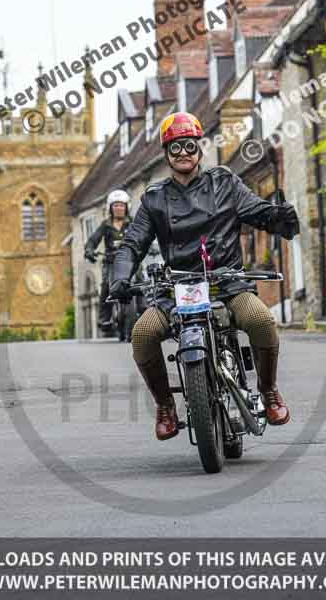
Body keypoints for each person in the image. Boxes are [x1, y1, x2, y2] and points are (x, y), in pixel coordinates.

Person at [110, 112, 300, 441]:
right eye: (175, 148)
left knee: (261, 320)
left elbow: (255, 210)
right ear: (166, 154)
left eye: (189, 145)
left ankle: (268, 390)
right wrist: (121, 277)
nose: (183, 153)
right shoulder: (154, 198)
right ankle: (165, 405)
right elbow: (131, 243)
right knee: (142, 334)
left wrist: (279, 217)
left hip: (226, 283)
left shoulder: (225, 182)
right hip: (178, 288)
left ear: (199, 148)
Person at [85, 189, 132, 332]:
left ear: (127, 207)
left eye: (121, 205)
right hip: (110, 261)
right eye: (115, 205)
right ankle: (104, 318)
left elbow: (144, 236)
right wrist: (89, 250)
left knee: (141, 282)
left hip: (131, 260)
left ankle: (144, 308)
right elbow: (93, 240)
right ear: (110, 208)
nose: (119, 208)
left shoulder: (133, 223)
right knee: (105, 285)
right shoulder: (105, 225)